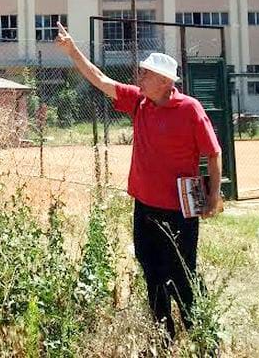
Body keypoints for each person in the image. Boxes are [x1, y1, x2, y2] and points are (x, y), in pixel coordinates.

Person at [55, 21, 223, 340]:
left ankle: (204, 338)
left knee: (182, 276)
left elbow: (213, 154)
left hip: (180, 213)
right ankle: (164, 337)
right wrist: (72, 50)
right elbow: (100, 79)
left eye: (145, 74)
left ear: (163, 81)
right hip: (144, 208)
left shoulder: (190, 109)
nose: (139, 78)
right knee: (152, 272)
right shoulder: (139, 103)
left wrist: (213, 195)